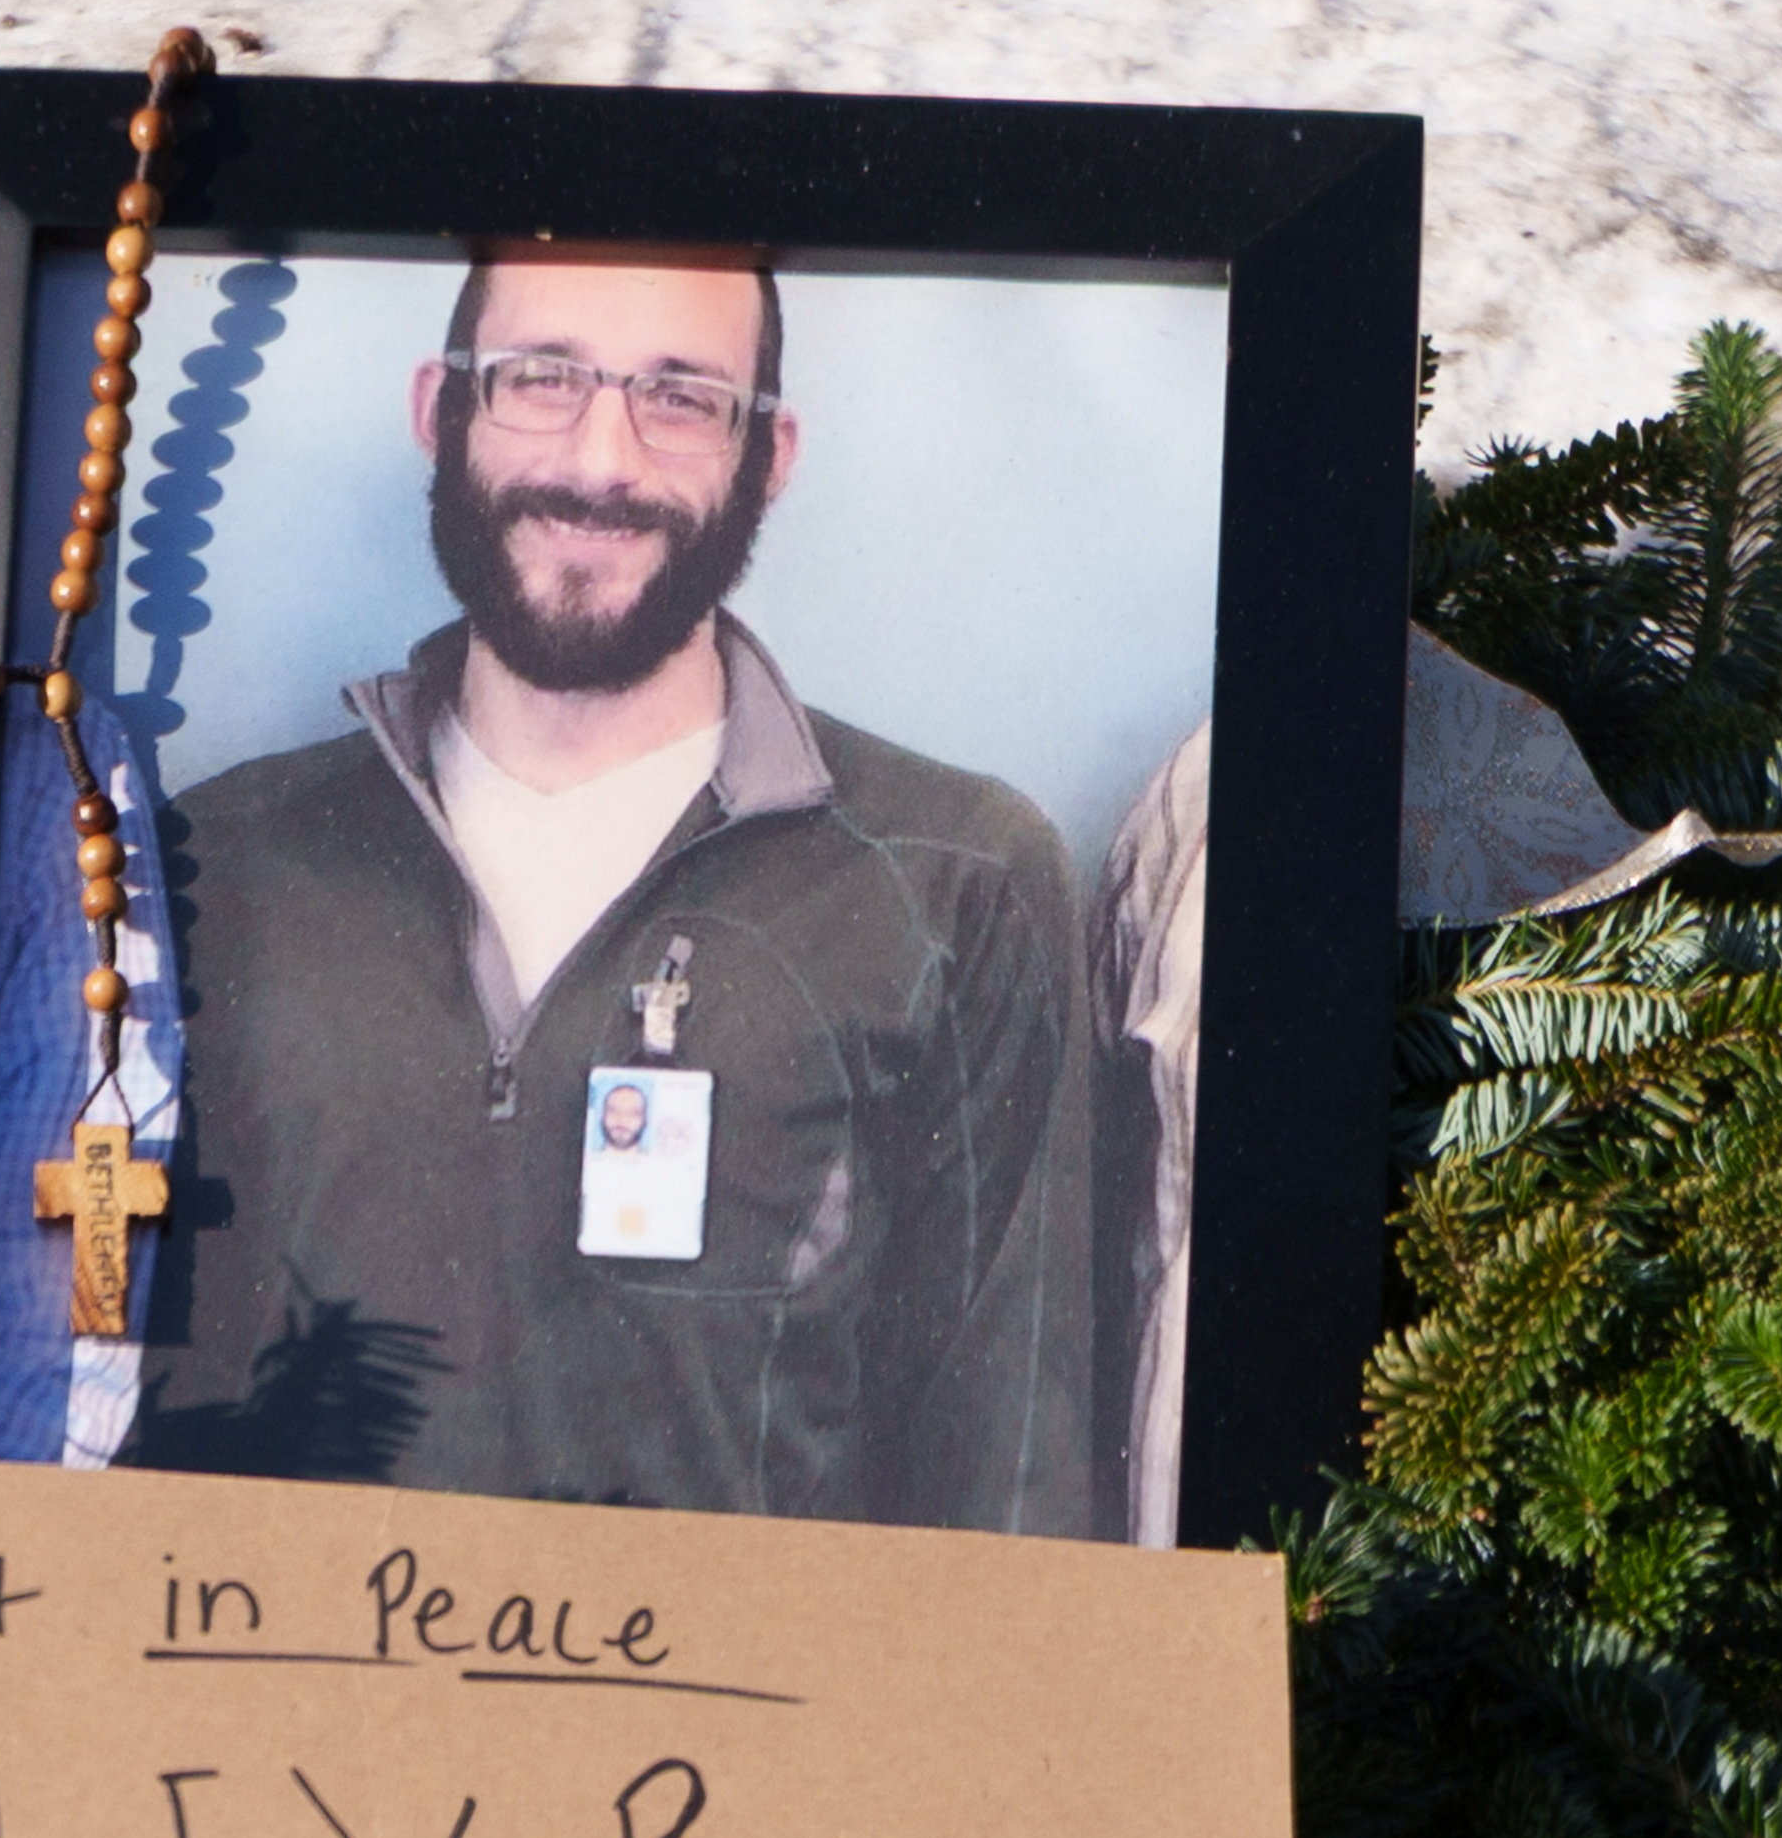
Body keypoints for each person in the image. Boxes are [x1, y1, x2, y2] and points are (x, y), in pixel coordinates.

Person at [125, 242, 1098, 1534]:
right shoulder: (219, 855)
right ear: (440, 408)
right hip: (283, 1715)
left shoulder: (955, 877)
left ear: (772, 453)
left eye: (682, 397)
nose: (602, 461)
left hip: (731, 1728)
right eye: (543, 378)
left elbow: (1011, 1476)